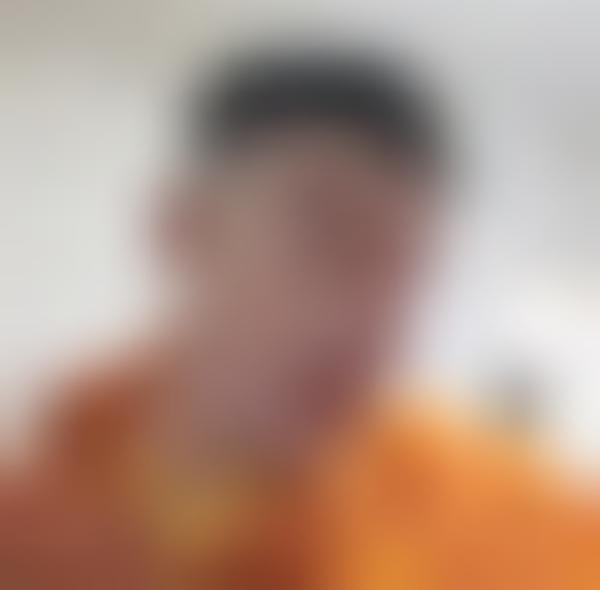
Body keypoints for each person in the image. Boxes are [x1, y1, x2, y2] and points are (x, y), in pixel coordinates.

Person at [2, 45, 597, 588]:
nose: (371, 315)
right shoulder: (40, 496)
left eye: (406, 272)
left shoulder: (491, 524)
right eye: (332, 239)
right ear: (185, 226)